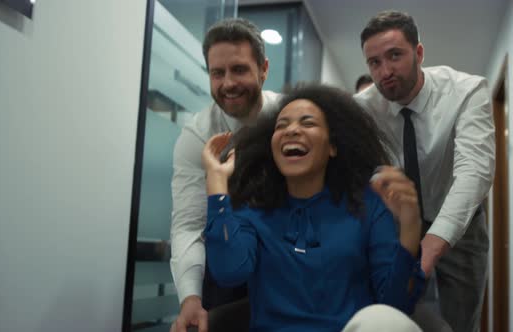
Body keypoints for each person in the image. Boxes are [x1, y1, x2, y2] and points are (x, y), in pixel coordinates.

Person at [201, 84, 425, 331]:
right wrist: (217, 181)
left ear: (332, 147)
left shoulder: (368, 206)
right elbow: (229, 272)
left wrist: (410, 226)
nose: (292, 131)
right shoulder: (254, 210)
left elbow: (395, 306)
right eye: (281, 125)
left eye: (307, 123)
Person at [355, 10, 495, 332]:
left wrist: (435, 239)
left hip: (462, 225)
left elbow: (474, 171)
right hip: (396, 222)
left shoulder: (466, 91)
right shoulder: (363, 108)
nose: (385, 71)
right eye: (374, 63)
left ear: (419, 53)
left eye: (394, 56)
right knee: (391, 313)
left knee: (460, 321)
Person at [169, 18, 281, 332]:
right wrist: (190, 297)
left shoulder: (290, 119)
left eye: (239, 69)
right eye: (217, 73)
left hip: (287, 265)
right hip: (225, 267)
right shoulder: (198, 135)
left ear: (263, 69)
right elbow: (189, 224)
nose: (228, 83)